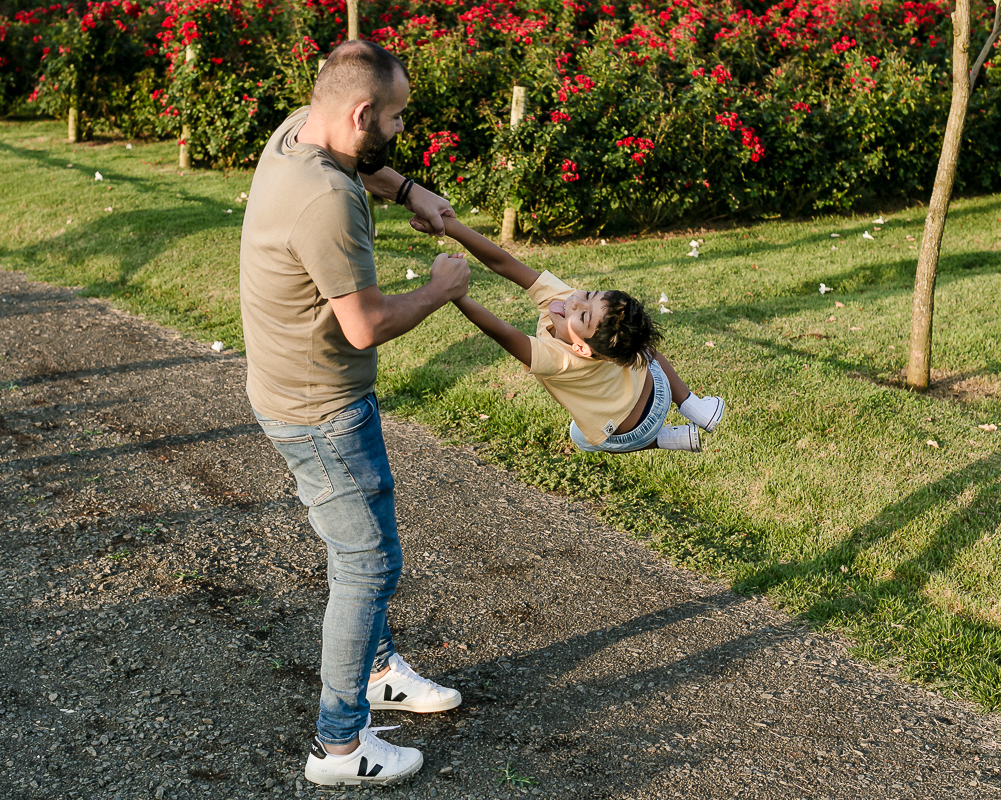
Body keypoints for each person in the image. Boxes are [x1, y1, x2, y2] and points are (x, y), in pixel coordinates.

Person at [239, 40, 469, 787]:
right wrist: (440, 289)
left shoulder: (300, 127)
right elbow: (363, 325)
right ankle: (339, 749)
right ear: (362, 111)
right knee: (368, 563)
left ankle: (375, 672)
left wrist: (408, 192)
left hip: (291, 388)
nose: (401, 131)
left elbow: (361, 159)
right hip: (321, 408)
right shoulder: (326, 201)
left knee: (358, 553)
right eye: (397, 118)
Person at [437, 218, 725, 453]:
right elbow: (504, 263)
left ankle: (662, 439)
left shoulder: (560, 359)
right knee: (640, 345)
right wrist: (450, 226)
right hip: (657, 387)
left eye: (584, 315)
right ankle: (692, 405)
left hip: (631, 430)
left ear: (582, 349)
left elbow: (500, 330)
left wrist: (454, 292)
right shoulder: (566, 303)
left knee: (581, 436)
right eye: (588, 294)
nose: (575, 302)